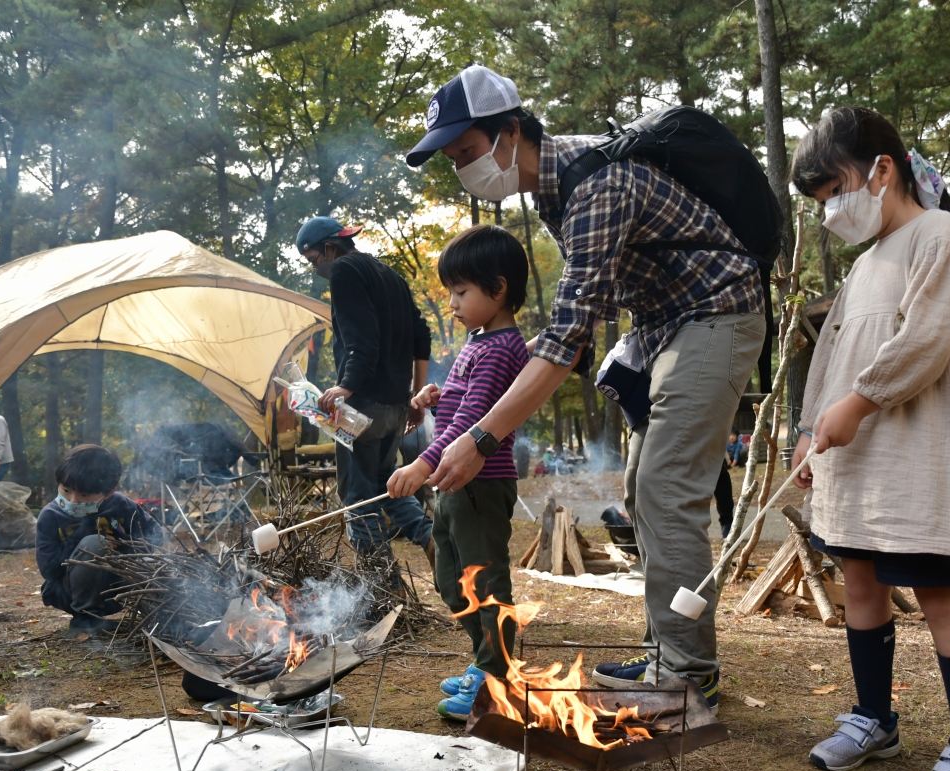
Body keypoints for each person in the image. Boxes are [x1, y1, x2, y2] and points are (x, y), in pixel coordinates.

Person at [407, 65, 766, 713]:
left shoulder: (592, 185)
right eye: (455, 160)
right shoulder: (550, 189)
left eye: (468, 153)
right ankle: (667, 653)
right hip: (663, 326)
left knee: (665, 485)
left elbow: (565, 338)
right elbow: (591, 303)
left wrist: (480, 436)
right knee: (641, 488)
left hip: (715, 311)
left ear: (511, 132)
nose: (465, 170)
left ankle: (687, 678)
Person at [789, 106, 950, 771]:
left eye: (834, 192)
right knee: (858, 582)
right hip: (856, 463)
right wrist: (808, 427)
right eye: (820, 203)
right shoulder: (861, 266)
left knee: (941, 592)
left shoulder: (939, 236)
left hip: (918, 456)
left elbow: (927, 339)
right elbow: (829, 358)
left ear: (882, 170)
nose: (831, 211)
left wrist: (860, 399)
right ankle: (873, 717)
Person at [385, 224, 531, 721]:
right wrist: (437, 396)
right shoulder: (480, 340)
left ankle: (497, 675)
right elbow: (465, 399)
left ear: (499, 286)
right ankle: (483, 659)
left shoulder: (500, 347)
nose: (451, 302)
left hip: (480, 485)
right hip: (454, 483)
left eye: (461, 291)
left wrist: (423, 461)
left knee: (483, 580)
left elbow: (476, 420)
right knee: (451, 578)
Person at [294, 216, 434, 558]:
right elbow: (421, 335)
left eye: (314, 259)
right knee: (388, 488)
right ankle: (433, 540)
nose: (316, 268)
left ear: (330, 247)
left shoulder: (345, 271)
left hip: (362, 408)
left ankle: (378, 584)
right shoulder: (391, 276)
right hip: (395, 408)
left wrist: (346, 387)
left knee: (357, 498)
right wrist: (414, 396)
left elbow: (362, 342)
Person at [36, 445, 164, 633]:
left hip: (118, 588)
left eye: (84, 495)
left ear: (109, 492)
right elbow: (48, 569)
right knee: (94, 543)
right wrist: (86, 533)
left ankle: (156, 616)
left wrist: (124, 548)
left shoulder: (121, 505)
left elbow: (154, 536)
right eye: (66, 490)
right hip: (68, 590)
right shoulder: (51, 516)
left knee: (150, 561)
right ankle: (85, 620)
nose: (73, 500)